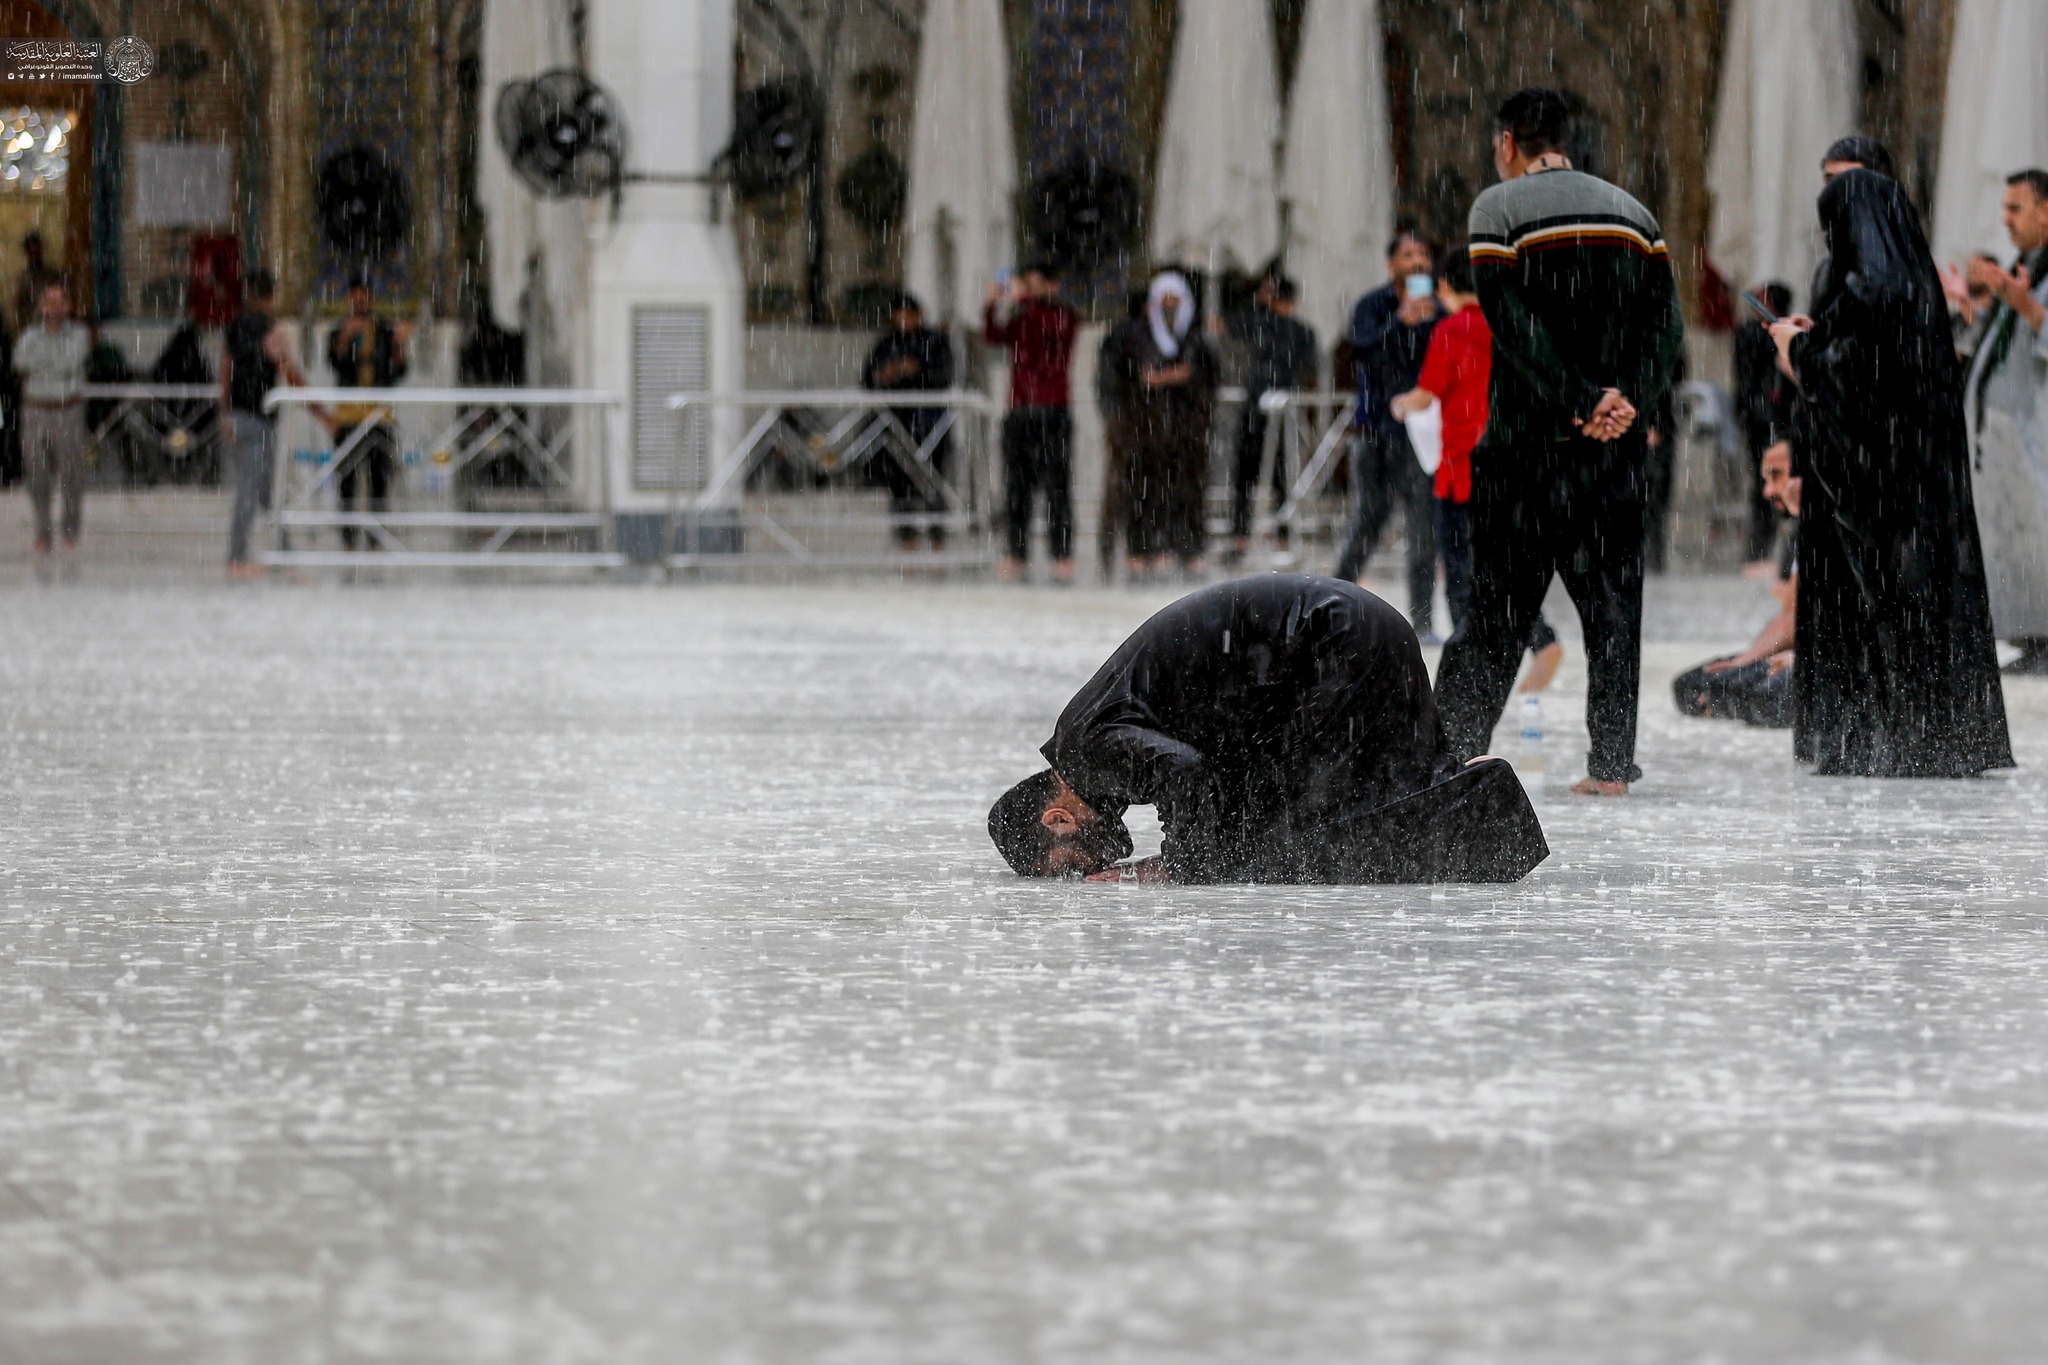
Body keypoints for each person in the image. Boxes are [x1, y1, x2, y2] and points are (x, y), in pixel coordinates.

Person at [1432, 87, 1686, 798]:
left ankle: (1446, 756)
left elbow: (1514, 327)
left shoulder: (1497, 209)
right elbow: (1665, 330)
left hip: (1525, 448)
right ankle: (1610, 765)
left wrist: (1578, 399)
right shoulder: (1635, 214)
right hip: (1613, 453)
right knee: (1613, 607)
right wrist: (1624, 398)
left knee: (1494, 611)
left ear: (1508, 141)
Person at [985, 574, 1548, 884]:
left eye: (1070, 866)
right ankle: (1461, 787)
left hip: (1332, 642)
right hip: (1349, 630)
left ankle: (1477, 794)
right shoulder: (1088, 737)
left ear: (1057, 818)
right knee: (1300, 822)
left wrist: (1177, 866)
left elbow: (1190, 774)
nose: (1092, 869)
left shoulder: (1087, 749)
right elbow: (1218, 777)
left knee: (1302, 838)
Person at [1768, 168, 2012, 777]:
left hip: (1880, 486)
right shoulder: (1915, 279)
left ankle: (1913, 743)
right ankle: (1946, 740)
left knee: (1893, 611)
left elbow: (1851, 378)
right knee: (1926, 609)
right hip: (1924, 479)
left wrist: (1794, 350)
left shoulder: (1874, 287)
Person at [1387, 245, 1563, 689]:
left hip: (1460, 467)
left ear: (1444, 285)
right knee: (1502, 565)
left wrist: (1400, 403)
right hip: (1507, 463)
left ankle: (1470, 672)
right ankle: (1540, 636)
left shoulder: (1450, 330)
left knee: (1462, 574)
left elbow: (1426, 395)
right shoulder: (1508, 328)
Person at [1957, 168, 2048, 675]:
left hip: (2037, 430)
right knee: (2019, 537)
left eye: (2015, 208)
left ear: (2045, 211)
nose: (2005, 219)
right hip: (2009, 436)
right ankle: (2034, 635)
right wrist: (1974, 307)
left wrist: (2024, 305)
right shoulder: (2028, 263)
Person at [1335, 232, 1441, 636]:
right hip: (1376, 432)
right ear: (1390, 263)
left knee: (1423, 531)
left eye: (1423, 254)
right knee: (1365, 523)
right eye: (1408, 254)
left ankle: (1424, 621)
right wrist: (1401, 323)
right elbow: (1362, 355)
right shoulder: (1372, 306)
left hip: (1422, 437)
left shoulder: (1440, 309)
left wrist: (1429, 322)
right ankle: (1332, 605)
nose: (1417, 262)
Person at [1672, 440, 1801, 727]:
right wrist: (1742, 662)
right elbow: (1790, 617)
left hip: (1841, 662)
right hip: (1803, 650)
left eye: (1776, 475)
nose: (1768, 491)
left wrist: (1800, 658)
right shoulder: (1797, 535)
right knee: (1692, 687)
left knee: (1764, 699)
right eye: (1765, 479)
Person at [1108, 270, 1220, 578]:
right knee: (1144, 491)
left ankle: (1187, 547)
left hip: (1186, 430)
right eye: (1164, 301)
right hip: (1144, 429)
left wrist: (1174, 380)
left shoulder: (1195, 340)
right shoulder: (1133, 336)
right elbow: (1125, 377)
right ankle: (1142, 549)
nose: (1170, 309)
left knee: (1187, 490)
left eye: (1175, 301)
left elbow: (1206, 379)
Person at [983, 264, 1079, 583]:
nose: (1032, 290)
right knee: (1017, 488)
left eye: (1039, 284)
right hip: (1021, 410)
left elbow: (1051, 336)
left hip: (1053, 410)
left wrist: (1028, 301)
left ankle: (1062, 554)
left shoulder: (1063, 316)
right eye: (1028, 284)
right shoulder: (1022, 316)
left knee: (1057, 487)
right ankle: (1016, 553)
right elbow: (993, 336)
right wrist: (991, 304)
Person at [221, 270, 313, 579]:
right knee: (252, 489)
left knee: (265, 489)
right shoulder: (272, 329)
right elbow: (287, 368)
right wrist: (316, 405)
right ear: (271, 296)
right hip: (259, 418)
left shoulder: (234, 327)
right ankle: (236, 557)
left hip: (238, 416)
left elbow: (225, 369)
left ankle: (284, 551)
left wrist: (225, 412)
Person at [1225, 274, 1318, 565]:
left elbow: (1234, 326)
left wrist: (1259, 302)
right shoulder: (1303, 331)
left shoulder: (1263, 324)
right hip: (1282, 407)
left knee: (1246, 476)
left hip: (1259, 407)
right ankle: (1281, 533)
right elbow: (1309, 368)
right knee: (1281, 476)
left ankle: (1241, 535)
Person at [859, 290, 956, 556]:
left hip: (930, 424)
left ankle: (938, 538)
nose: (903, 321)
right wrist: (887, 374)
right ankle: (907, 538)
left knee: (933, 480)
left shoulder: (934, 341)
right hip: (896, 423)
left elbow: (943, 376)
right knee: (900, 484)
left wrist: (918, 370)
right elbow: (868, 378)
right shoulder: (886, 343)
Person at [12, 279, 90, 579]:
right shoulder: (30, 335)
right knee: (37, 474)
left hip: (67, 409)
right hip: (36, 409)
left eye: (60, 301)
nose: (54, 307)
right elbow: (21, 362)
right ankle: (42, 532)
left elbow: (72, 361)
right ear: (42, 307)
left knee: (72, 473)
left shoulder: (79, 334)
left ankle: (70, 530)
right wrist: (51, 363)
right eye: (49, 301)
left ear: (68, 306)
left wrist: (45, 364)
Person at [327, 276, 412, 551]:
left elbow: (398, 372)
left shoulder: (385, 330)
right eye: (356, 296)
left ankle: (376, 537)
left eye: (365, 296)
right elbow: (334, 364)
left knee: (379, 478)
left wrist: (398, 345)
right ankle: (349, 536)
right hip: (349, 416)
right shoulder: (339, 329)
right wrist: (344, 339)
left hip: (379, 416)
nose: (361, 301)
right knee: (347, 479)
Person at [1733, 281, 1796, 572]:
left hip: (1781, 421)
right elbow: (1746, 375)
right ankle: (1758, 551)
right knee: (1763, 485)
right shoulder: (1750, 333)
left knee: (1779, 485)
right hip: (1759, 420)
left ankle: (1776, 555)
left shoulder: (1782, 333)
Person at [1094, 290, 1148, 578]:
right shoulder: (1126, 338)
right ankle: (1123, 550)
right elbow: (1109, 380)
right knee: (1122, 487)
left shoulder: (1122, 337)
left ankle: (1123, 550)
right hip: (1128, 420)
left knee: (1121, 487)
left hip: (1133, 420)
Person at [11, 231, 63, 332]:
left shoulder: (53, 276)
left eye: (37, 250)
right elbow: (19, 308)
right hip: (32, 328)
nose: (35, 254)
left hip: (55, 327)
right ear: (27, 253)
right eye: (31, 251)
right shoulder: (23, 279)